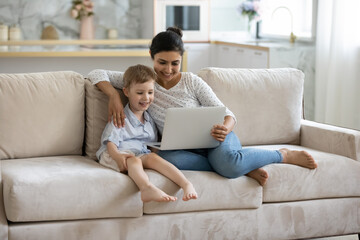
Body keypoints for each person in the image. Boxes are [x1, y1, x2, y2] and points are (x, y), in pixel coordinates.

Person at [89, 27, 318, 186]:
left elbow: (228, 114)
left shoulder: (192, 81)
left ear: (182, 60)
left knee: (228, 162)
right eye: (162, 63)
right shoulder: (144, 82)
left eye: (174, 63)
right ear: (151, 57)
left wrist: (226, 128)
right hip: (182, 148)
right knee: (167, 160)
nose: (168, 70)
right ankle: (243, 167)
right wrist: (114, 96)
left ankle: (282, 155)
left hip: (215, 138)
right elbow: (95, 73)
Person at [96, 64, 197, 202]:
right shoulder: (120, 117)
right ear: (126, 92)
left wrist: (155, 158)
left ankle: (186, 184)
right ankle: (146, 188)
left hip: (138, 153)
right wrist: (118, 156)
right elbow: (110, 143)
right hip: (114, 153)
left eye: (150, 92)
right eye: (140, 93)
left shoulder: (149, 119)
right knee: (134, 160)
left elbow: (152, 146)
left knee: (152, 158)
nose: (146, 98)